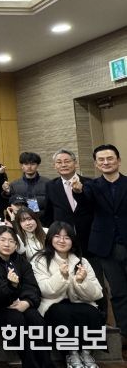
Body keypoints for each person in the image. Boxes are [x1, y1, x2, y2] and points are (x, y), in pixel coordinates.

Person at [31, 221, 104, 368]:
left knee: (92, 312)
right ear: (50, 238)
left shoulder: (82, 261)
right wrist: (62, 276)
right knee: (62, 312)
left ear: (72, 240)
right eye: (57, 236)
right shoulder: (40, 260)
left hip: (79, 301)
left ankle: (87, 353)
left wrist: (82, 282)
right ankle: (71, 353)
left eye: (67, 237)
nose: (62, 241)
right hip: (52, 303)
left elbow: (97, 293)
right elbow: (43, 289)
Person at [76, 144, 127, 348]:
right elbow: (85, 205)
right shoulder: (91, 186)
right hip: (106, 246)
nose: (106, 162)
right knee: (118, 291)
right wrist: (78, 192)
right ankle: (124, 333)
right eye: (101, 160)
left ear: (118, 160)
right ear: (96, 164)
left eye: (110, 158)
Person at [0, 226, 52, 368]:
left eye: (11, 241)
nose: (7, 244)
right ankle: (30, 364)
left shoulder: (21, 262)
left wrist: (27, 302)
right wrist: (12, 286)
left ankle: (46, 363)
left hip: (21, 305)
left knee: (36, 319)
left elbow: (32, 287)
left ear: (16, 244)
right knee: (16, 320)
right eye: (2, 240)